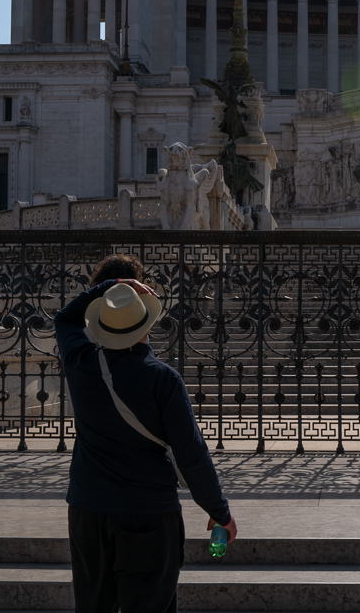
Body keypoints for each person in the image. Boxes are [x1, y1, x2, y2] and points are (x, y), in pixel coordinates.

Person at [56, 254, 237, 613]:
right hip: (149, 514)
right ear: (147, 324)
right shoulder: (163, 379)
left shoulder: (80, 363)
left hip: (88, 509)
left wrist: (111, 287)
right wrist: (219, 511)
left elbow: (64, 317)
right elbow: (191, 454)